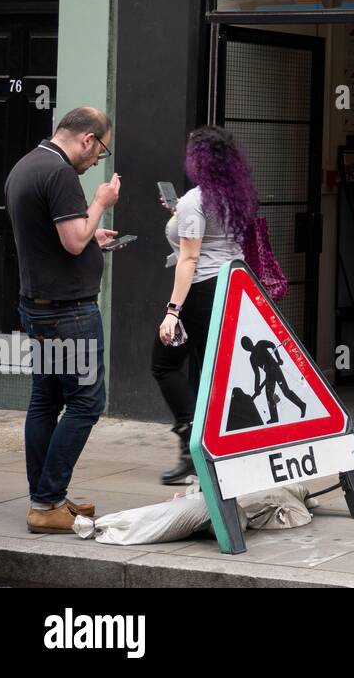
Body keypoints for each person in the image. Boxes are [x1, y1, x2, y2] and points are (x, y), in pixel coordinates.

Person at [5, 107, 121, 532]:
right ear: (88, 139)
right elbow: (73, 242)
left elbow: (58, 238)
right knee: (87, 403)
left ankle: (45, 498)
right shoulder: (60, 174)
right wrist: (99, 205)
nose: (95, 163)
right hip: (69, 312)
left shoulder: (25, 165)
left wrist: (94, 237)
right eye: (99, 152)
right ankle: (48, 500)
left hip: (38, 307)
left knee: (46, 400)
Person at [151, 126, 256, 484]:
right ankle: (213, 449)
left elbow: (189, 259)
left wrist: (172, 311)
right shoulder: (233, 196)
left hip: (202, 291)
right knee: (206, 370)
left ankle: (191, 449)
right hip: (233, 287)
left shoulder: (195, 201)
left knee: (164, 363)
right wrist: (176, 214)